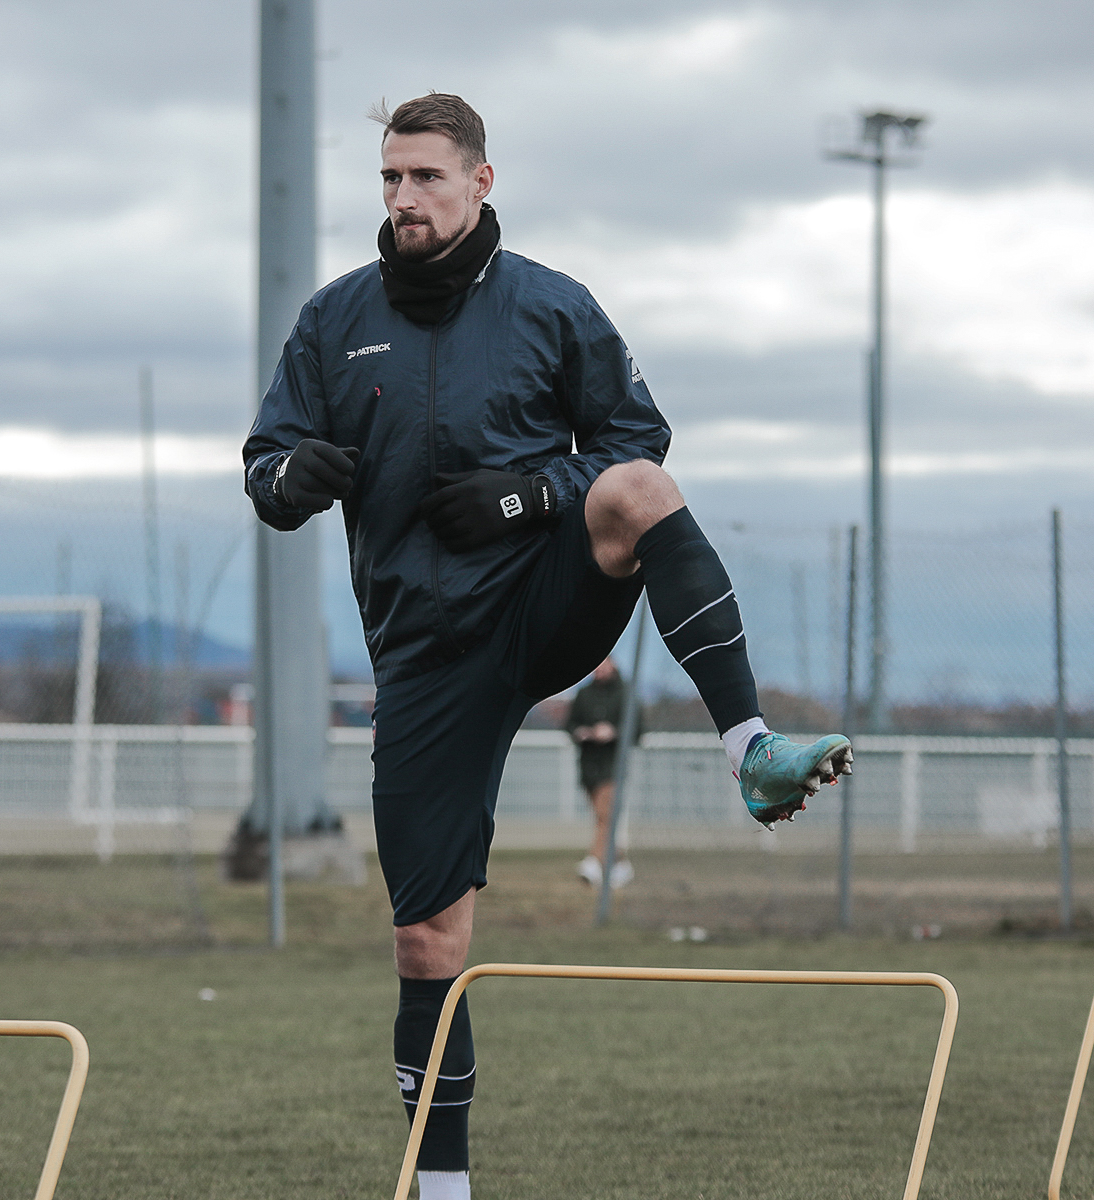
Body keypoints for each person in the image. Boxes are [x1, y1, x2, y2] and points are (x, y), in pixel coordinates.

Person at [243, 93, 851, 1200]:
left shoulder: (553, 307)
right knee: (427, 944)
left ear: (480, 181)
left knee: (639, 490)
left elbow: (632, 442)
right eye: (389, 178)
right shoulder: (333, 320)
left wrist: (529, 497)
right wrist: (291, 479)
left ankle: (750, 746)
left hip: (541, 599)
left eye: (426, 176)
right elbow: (265, 463)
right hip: (424, 655)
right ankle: (443, 1190)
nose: (403, 197)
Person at [565, 656, 636, 888]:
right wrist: (581, 732)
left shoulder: (625, 693)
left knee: (605, 817)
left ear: (612, 664)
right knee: (603, 818)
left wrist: (613, 732)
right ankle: (622, 865)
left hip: (612, 765)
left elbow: (637, 728)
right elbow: (570, 724)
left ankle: (592, 864)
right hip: (589, 766)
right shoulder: (584, 693)